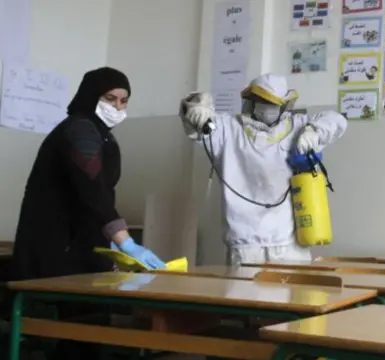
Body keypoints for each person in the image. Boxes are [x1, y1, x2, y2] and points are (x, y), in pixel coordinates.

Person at [8, 67, 165, 358]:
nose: (118, 107)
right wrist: (125, 242)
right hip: (57, 250)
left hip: (81, 248)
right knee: (72, 332)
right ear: (91, 96)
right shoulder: (80, 129)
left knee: (86, 330)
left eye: (124, 100)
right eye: (110, 98)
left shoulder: (102, 135)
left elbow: (100, 195)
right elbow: (92, 189)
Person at [180, 73, 347, 265]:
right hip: (245, 245)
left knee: (299, 294)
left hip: (291, 243)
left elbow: (337, 120)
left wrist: (314, 132)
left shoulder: (297, 126)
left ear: (284, 104)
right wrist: (197, 104)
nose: (269, 109)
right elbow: (195, 124)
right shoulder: (229, 129)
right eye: (263, 101)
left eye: (274, 103)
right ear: (250, 100)